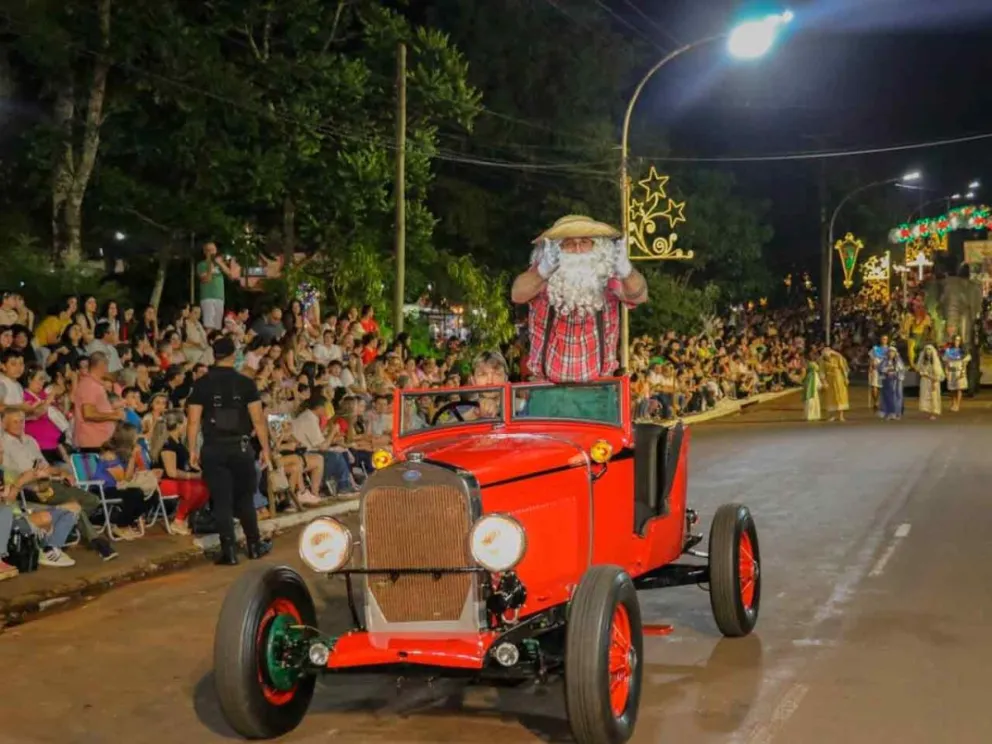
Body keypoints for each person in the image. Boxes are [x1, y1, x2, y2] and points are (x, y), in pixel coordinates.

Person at [511, 214, 648, 383]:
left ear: (597, 247)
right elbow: (517, 294)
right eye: (568, 243)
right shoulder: (541, 278)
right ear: (555, 249)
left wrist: (626, 271)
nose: (577, 249)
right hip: (546, 390)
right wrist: (542, 271)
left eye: (584, 242)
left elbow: (640, 296)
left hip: (599, 392)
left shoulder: (608, 277)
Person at [187, 336, 272, 565]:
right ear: (233, 356)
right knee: (244, 498)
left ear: (214, 355)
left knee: (222, 500)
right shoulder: (245, 383)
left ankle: (230, 552)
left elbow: (193, 422)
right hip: (241, 447)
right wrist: (265, 449)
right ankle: (254, 545)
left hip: (214, 448)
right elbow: (258, 420)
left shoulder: (201, 384)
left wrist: (192, 450)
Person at [198, 242, 236, 331]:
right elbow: (207, 279)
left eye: (214, 250)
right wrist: (209, 263)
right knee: (209, 325)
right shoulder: (202, 264)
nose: (212, 252)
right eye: (209, 250)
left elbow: (231, 276)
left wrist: (221, 263)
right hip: (208, 297)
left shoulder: (220, 264)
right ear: (205, 252)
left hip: (219, 297)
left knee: (217, 326)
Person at [820, 347, 850, 423]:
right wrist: (824, 382)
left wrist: (845, 378)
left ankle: (841, 415)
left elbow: (843, 367)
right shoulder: (822, 361)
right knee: (831, 397)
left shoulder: (837, 358)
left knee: (841, 396)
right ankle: (832, 415)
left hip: (839, 378)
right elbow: (822, 372)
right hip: (830, 379)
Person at [942, 335, 970, 413]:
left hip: (959, 370)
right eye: (955, 340)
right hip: (952, 371)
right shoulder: (949, 350)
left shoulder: (963, 351)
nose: (956, 342)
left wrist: (963, 372)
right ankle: (953, 403)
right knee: (952, 389)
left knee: (959, 388)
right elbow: (946, 362)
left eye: (958, 340)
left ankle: (957, 404)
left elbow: (965, 362)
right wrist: (946, 371)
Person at [917, 343, 944, 420]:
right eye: (927, 349)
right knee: (925, 395)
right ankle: (927, 411)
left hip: (933, 380)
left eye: (929, 349)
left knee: (934, 396)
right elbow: (919, 369)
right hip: (925, 381)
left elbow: (939, 372)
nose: (928, 351)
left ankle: (934, 412)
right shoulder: (923, 361)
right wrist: (924, 374)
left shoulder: (935, 361)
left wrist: (934, 379)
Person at [878, 346, 905, 421]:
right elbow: (880, 369)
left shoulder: (898, 361)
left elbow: (901, 370)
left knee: (897, 396)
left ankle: (897, 413)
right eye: (890, 352)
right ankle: (889, 412)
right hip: (887, 382)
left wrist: (895, 373)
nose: (891, 353)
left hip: (896, 381)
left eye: (892, 352)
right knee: (888, 397)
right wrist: (886, 371)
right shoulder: (885, 361)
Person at [801, 356, 822, 422]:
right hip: (811, 380)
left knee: (811, 399)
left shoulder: (811, 365)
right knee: (811, 399)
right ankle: (812, 415)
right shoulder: (811, 367)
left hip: (812, 380)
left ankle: (812, 415)